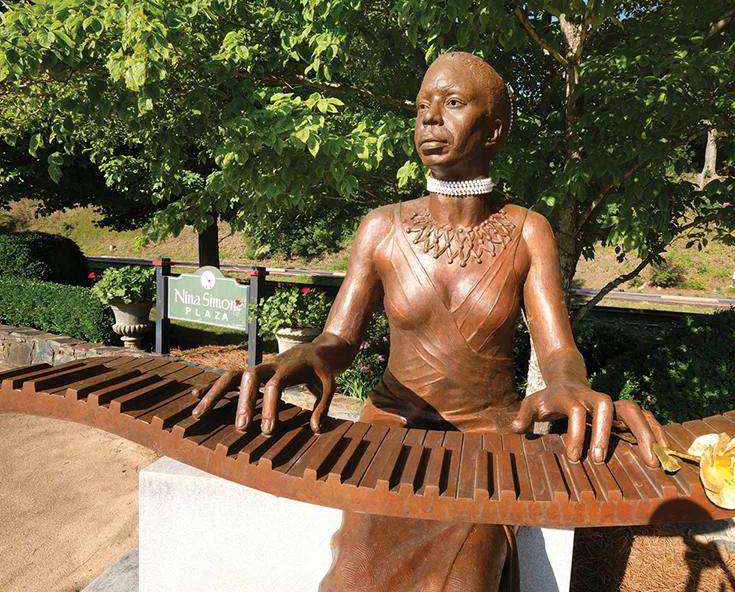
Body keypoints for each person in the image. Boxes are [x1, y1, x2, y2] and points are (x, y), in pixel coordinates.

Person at [191, 51, 667, 592]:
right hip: (390, 429)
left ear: (493, 130)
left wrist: (569, 384)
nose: (430, 118)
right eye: (422, 106)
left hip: (487, 438)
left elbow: (557, 348)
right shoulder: (381, 227)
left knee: (465, 577)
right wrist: (305, 356)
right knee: (354, 574)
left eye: (453, 103)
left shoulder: (529, 230)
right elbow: (339, 338)